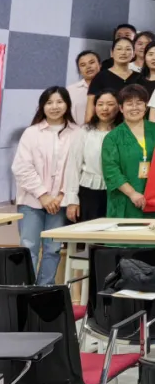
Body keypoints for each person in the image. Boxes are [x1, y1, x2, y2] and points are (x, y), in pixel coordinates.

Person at [13, 87, 79, 284]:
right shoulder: (31, 133)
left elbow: (77, 167)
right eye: (49, 103)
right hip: (31, 201)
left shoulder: (77, 133)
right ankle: (26, 291)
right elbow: (21, 167)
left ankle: (45, 290)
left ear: (67, 105)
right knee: (29, 247)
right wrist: (43, 195)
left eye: (59, 102)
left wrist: (62, 195)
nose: (54, 107)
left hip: (60, 203)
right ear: (42, 106)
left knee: (53, 249)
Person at [101, 84, 155, 219]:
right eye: (129, 104)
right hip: (125, 199)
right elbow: (111, 171)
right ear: (121, 108)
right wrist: (132, 193)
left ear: (146, 106)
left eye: (139, 103)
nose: (135, 108)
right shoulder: (112, 137)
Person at [62, 90, 120, 224]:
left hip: (117, 192)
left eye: (110, 104)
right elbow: (73, 166)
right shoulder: (84, 132)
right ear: (94, 107)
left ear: (119, 107)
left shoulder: (123, 132)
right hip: (88, 192)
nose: (105, 108)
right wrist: (72, 200)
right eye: (100, 104)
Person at [86, 38, 143, 123]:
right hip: (107, 126)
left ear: (134, 54)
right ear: (112, 53)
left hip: (134, 126)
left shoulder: (140, 77)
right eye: (119, 49)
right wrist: (88, 127)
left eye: (128, 49)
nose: (123, 52)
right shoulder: (100, 77)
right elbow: (90, 109)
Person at [67, 50, 101, 126]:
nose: (88, 67)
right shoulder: (70, 90)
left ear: (100, 64)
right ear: (79, 70)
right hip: (77, 131)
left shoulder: (110, 87)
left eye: (91, 62)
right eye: (83, 65)